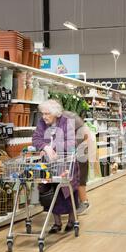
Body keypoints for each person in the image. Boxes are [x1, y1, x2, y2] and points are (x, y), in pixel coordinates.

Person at [32, 100, 80, 233]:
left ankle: (72, 220)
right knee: (50, 191)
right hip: (48, 163)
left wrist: (54, 148)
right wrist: (45, 147)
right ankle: (57, 223)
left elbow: (71, 143)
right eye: (43, 113)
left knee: (69, 193)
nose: (44, 117)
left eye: (47, 114)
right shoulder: (42, 123)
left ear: (55, 114)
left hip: (65, 163)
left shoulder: (66, 122)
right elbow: (36, 139)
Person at [62, 110, 91, 215]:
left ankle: (85, 203)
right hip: (75, 154)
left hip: (80, 155)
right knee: (75, 180)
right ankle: (78, 203)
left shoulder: (70, 119)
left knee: (80, 181)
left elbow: (84, 137)